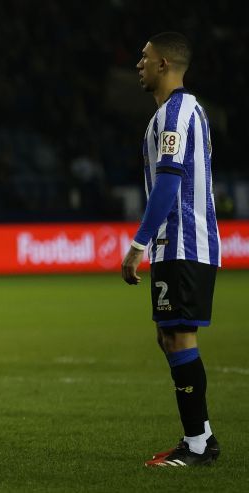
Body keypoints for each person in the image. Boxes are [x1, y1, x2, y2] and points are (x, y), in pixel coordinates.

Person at [122, 32, 221, 467]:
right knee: (169, 337)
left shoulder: (177, 114)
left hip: (183, 242)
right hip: (175, 245)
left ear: (164, 63)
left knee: (179, 335)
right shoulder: (173, 113)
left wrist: (137, 244)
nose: (138, 65)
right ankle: (200, 437)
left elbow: (168, 184)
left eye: (144, 58)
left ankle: (198, 445)